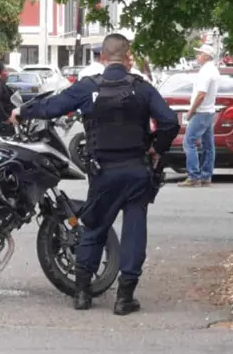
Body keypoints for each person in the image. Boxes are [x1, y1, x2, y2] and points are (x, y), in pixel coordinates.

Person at [10, 33, 178, 315]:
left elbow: (52, 106)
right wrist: (156, 148)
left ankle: (82, 293)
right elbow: (170, 121)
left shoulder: (89, 87)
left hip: (104, 171)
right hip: (137, 170)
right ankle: (125, 297)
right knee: (134, 230)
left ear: (102, 57)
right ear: (128, 56)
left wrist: (22, 111)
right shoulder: (142, 88)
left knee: (95, 228)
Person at [179, 44, 219, 187]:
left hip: (201, 111)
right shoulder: (213, 70)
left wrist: (191, 111)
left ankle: (193, 176)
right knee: (208, 145)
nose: (197, 56)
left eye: (200, 53)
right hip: (209, 111)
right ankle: (206, 175)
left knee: (188, 142)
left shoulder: (206, 72)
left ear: (206, 56)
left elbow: (201, 94)